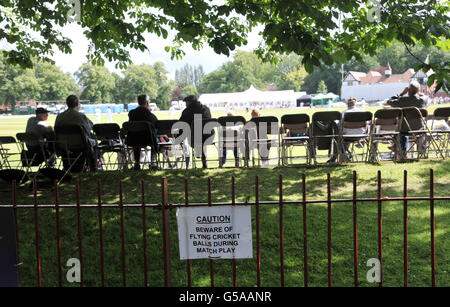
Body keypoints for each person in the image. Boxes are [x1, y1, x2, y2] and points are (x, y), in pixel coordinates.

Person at [55, 95, 99, 172]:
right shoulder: (81, 116)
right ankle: (93, 168)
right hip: (80, 144)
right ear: (77, 104)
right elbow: (89, 129)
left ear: (67, 104)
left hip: (63, 145)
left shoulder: (59, 117)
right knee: (94, 141)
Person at [386, 81, 428, 157]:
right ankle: (421, 150)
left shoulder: (402, 100)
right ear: (418, 90)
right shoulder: (422, 100)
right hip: (419, 128)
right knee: (402, 126)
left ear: (408, 90)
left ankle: (403, 151)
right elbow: (425, 96)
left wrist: (401, 94)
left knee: (401, 127)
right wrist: (418, 92)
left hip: (404, 129)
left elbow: (389, 101)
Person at [179, 95, 213, 168]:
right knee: (201, 136)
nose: (185, 105)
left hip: (194, 138)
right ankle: (203, 157)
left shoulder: (187, 111)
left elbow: (181, 125)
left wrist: (179, 137)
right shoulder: (206, 109)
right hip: (209, 136)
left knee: (196, 135)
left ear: (189, 102)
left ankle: (199, 151)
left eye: (186, 103)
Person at [128, 94, 159, 170]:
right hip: (148, 139)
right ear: (147, 103)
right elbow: (156, 124)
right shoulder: (148, 114)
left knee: (136, 138)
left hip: (133, 139)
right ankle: (153, 162)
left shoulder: (132, 113)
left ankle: (137, 163)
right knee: (154, 138)